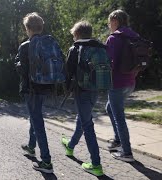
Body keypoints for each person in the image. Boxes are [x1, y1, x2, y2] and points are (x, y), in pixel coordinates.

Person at [61, 20, 104, 176]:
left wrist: (66, 89)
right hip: (96, 89)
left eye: (73, 35)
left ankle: (96, 165)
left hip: (82, 90)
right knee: (83, 118)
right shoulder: (99, 47)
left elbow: (68, 72)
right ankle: (71, 146)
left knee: (87, 125)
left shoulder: (76, 48)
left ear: (77, 34)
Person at [15, 12, 54, 174]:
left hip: (31, 89)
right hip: (45, 86)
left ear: (27, 29)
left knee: (37, 121)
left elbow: (21, 70)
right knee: (35, 115)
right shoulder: (49, 43)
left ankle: (46, 161)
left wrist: (17, 63)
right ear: (41, 27)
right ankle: (31, 146)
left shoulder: (25, 46)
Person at [105, 9, 138, 162]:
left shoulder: (113, 38)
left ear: (115, 20)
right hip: (130, 82)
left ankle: (127, 152)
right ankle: (118, 140)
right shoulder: (135, 36)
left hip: (117, 83)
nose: (109, 24)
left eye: (109, 21)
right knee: (109, 108)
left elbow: (108, 64)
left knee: (119, 117)